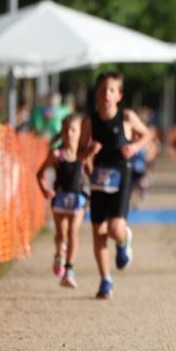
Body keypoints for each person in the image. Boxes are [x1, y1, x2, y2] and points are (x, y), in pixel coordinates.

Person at [78, 72, 152, 300]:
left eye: (111, 90)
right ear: (96, 95)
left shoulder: (127, 117)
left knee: (114, 229)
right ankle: (105, 281)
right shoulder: (89, 121)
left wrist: (134, 147)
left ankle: (123, 240)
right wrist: (89, 153)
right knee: (98, 231)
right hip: (98, 178)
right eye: (102, 90)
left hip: (121, 175)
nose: (106, 95)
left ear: (119, 95)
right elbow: (80, 152)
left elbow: (148, 134)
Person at [35, 113, 87, 288]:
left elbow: (92, 174)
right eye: (66, 130)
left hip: (78, 199)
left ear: (81, 132)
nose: (69, 133)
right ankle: (59, 255)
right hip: (60, 198)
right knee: (61, 234)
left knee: (73, 232)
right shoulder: (57, 154)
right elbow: (39, 174)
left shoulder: (83, 154)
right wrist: (45, 190)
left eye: (73, 130)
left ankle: (69, 271)